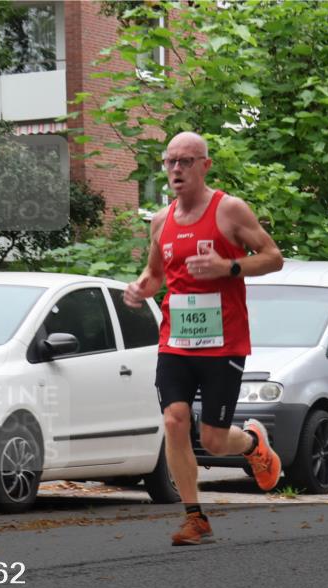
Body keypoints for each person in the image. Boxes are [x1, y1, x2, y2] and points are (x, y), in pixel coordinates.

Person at [124, 131, 284, 546]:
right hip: (175, 341)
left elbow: (273, 257)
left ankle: (251, 443)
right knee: (175, 420)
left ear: (205, 165)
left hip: (224, 342)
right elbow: (156, 273)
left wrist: (228, 267)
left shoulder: (229, 210)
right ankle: (195, 518)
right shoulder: (160, 220)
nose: (176, 169)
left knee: (213, 441)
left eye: (186, 161)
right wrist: (141, 287)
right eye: (170, 161)